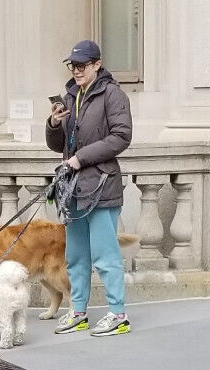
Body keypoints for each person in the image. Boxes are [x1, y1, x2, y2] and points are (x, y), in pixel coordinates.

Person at [46, 38, 133, 336]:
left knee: (105, 254)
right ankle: (79, 311)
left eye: (82, 65)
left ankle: (118, 314)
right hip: (74, 189)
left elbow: (122, 136)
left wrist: (81, 158)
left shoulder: (113, 95)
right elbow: (60, 146)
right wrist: (54, 124)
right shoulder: (72, 96)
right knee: (76, 255)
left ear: (97, 64)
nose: (77, 71)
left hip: (101, 186)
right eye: (73, 65)